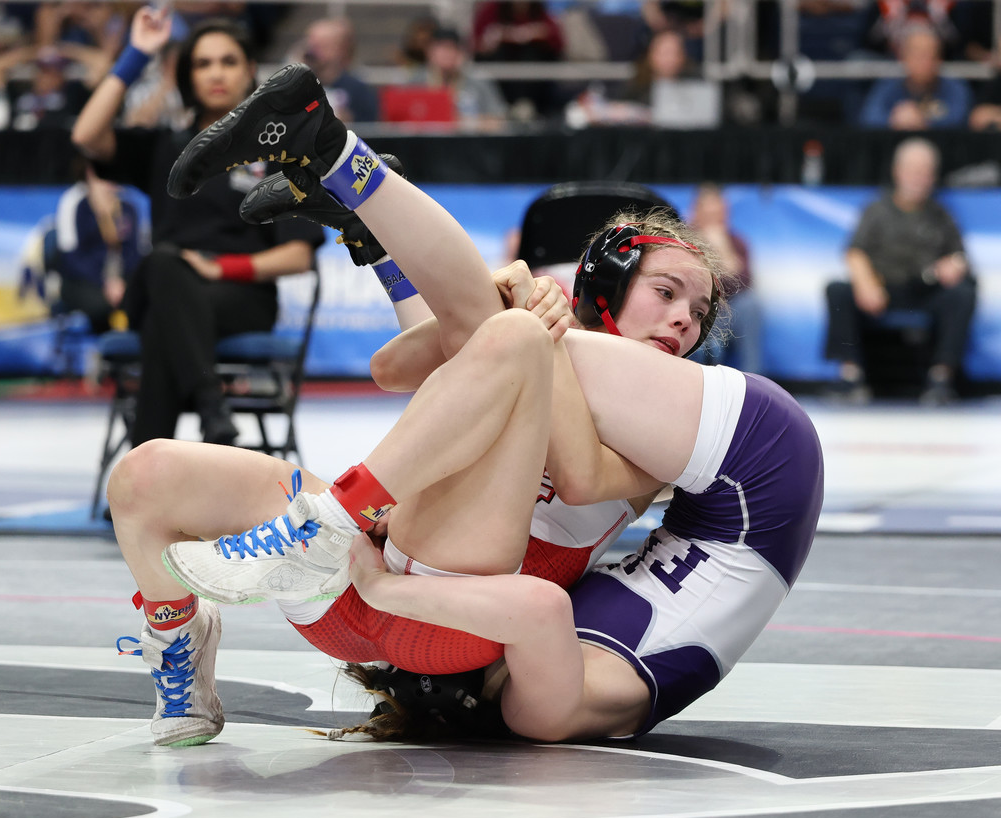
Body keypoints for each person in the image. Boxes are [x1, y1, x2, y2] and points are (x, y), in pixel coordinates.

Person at [111, 61, 822, 746]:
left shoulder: (660, 443)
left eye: (697, 313)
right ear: (605, 287)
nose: (683, 321)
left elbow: (577, 477)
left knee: (507, 334)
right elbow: (393, 366)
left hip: (452, 605)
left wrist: (517, 314)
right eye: (666, 292)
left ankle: (341, 165)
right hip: (354, 578)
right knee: (142, 479)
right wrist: (508, 306)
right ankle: (180, 641)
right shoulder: (538, 334)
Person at [70, 6, 325, 447]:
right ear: (187, 76)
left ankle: (145, 480)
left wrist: (219, 268)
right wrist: (135, 55)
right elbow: (86, 136)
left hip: (238, 297)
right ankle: (212, 408)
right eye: (202, 63)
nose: (215, 73)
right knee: (166, 266)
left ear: (250, 71)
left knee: (163, 322)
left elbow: (298, 256)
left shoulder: (282, 155)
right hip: (159, 284)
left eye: (228, 61)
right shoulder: (166, 145)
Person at [824, 137, 976, 405]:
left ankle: (941, 379)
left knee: (963, 294)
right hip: (880, 289)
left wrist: (954, 265)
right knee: (837, 290)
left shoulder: (941, 215)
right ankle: (851, 377)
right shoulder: (877, 210)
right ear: (897, 172)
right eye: (913, 170)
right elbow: (855, 251)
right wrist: (866, 283)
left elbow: (960, 256)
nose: (919, 178)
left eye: (925, 172)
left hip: (925, 291)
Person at [52, 161, 145, 334]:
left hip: (119, 281)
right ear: (90, 173)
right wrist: (104, 283)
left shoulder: (128, 207)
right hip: (83, 281)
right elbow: (70, 257)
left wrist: (121, 283)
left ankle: (133, 352)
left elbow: (136, 254)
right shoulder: (75, 202)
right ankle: (102, 354)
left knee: (144, 301)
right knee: (100, 305)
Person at [689, 183, 762, 373]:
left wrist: (723, 251)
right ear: (696, 213)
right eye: (710, 215)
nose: (716, 221)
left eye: (720, 214)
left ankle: (752, 380)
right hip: (697, 308)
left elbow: (744, 283)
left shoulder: (737, 242)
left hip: (729, 308)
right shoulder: (684, 238)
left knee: (750, 304)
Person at [858, 24, 972, 129]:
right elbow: (868, 116)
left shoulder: (954, 87)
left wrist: (923, 120)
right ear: (903, 58)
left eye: (931, 55)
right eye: (918, 55)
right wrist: (894, 119)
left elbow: (961, 117)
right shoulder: (888, 85)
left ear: (940, 59)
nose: (925, 62)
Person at [290, 18, 378, 124]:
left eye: (321, 46)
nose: (311, 53)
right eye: (310, 46)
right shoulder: (296, 87)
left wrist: (349, 122)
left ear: (341, 50)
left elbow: (372, 132)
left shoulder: (359, 91)